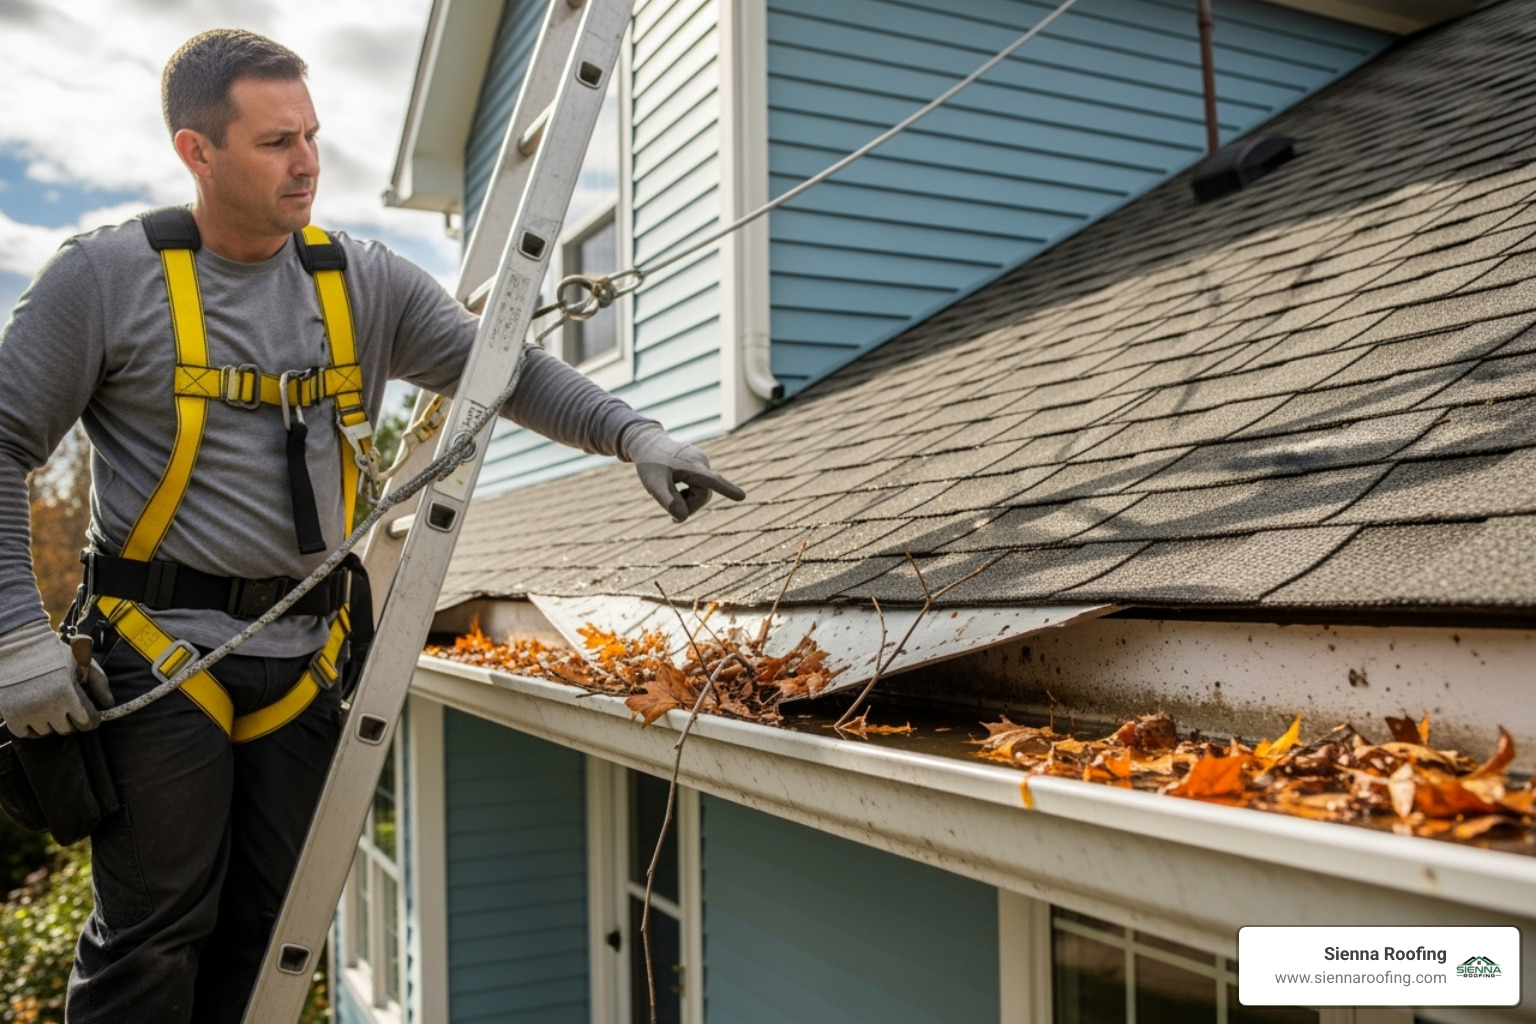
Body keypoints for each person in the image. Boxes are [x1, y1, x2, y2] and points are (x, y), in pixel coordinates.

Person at [0, 28, 742, 1023]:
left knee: (267, 934)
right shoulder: (103, 282)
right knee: (154, 933)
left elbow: (504, 369)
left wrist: (635, 434)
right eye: (274, 142)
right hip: (160, 652)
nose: (307, 162)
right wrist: (14, 640)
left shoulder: (363, 283)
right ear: (197, 151)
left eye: (311, 134)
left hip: (308, 660)